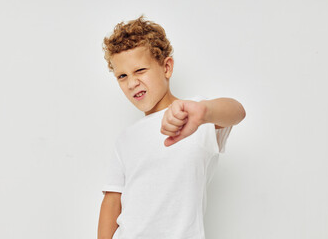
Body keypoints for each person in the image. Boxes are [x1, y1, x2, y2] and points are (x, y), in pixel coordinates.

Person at [97, 14, 246, 239]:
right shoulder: (126, 139)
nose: (131, 82)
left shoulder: (196, 115)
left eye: (140, 71)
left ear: (166, 67)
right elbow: (111, 201)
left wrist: (204, 111)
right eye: (122, 76)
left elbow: (237, 112)